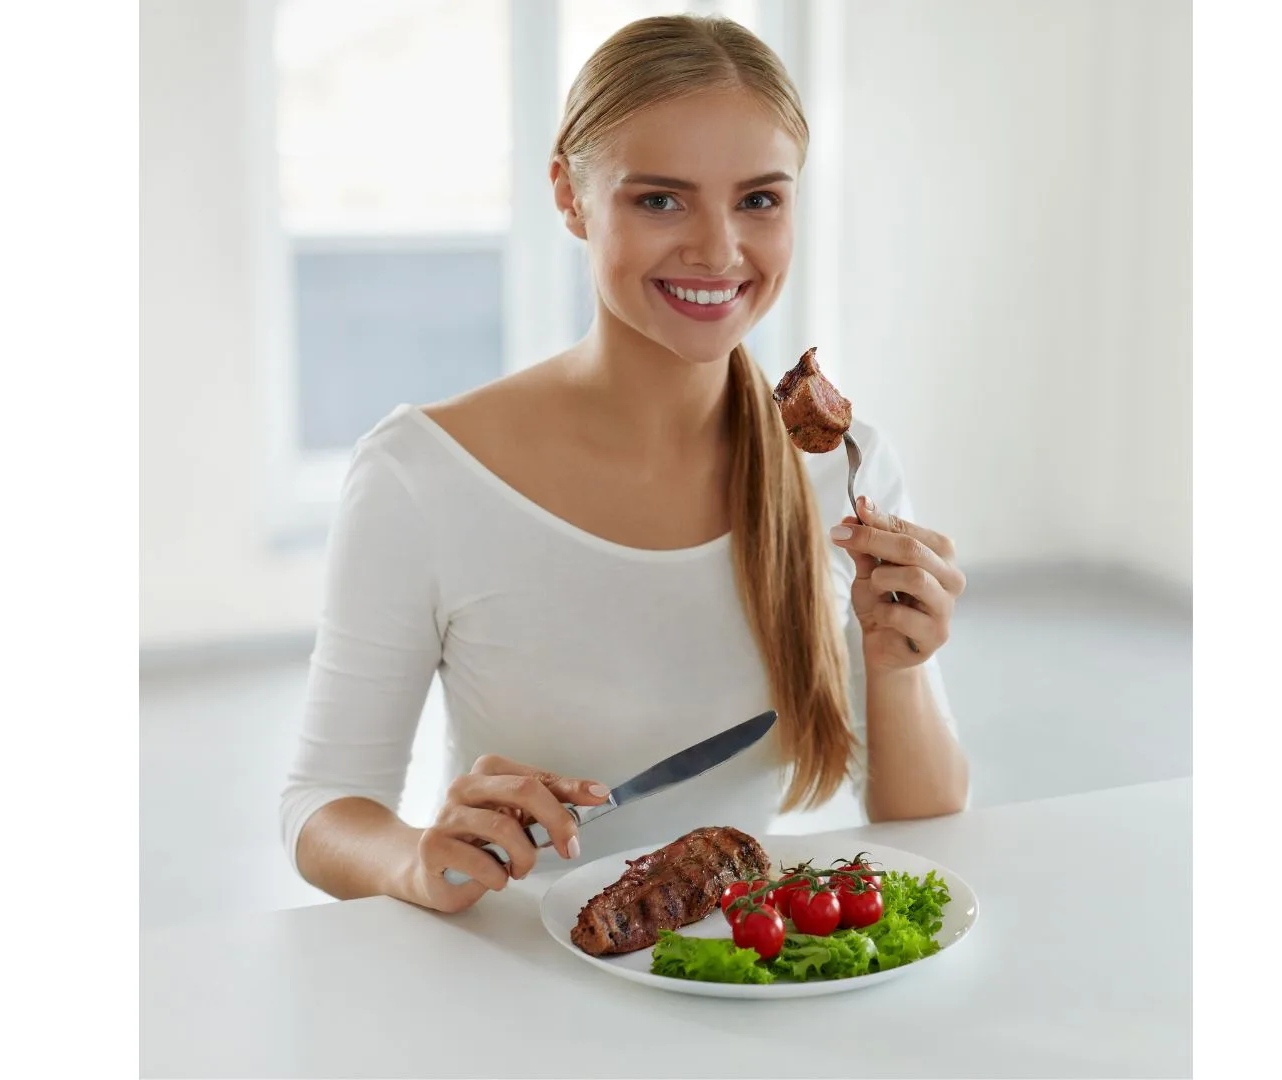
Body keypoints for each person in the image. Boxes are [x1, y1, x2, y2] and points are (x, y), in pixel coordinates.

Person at [281, 14, 968, 914]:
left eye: (759, 199)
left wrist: (901, 661)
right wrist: (415, 859)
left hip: (742, 985)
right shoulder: (424, 474)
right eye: (660, 199)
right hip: (518, 992)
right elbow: (320, 807)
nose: (719, 249)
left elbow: (922, 818)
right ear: (569, 195)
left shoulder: (844, 468)